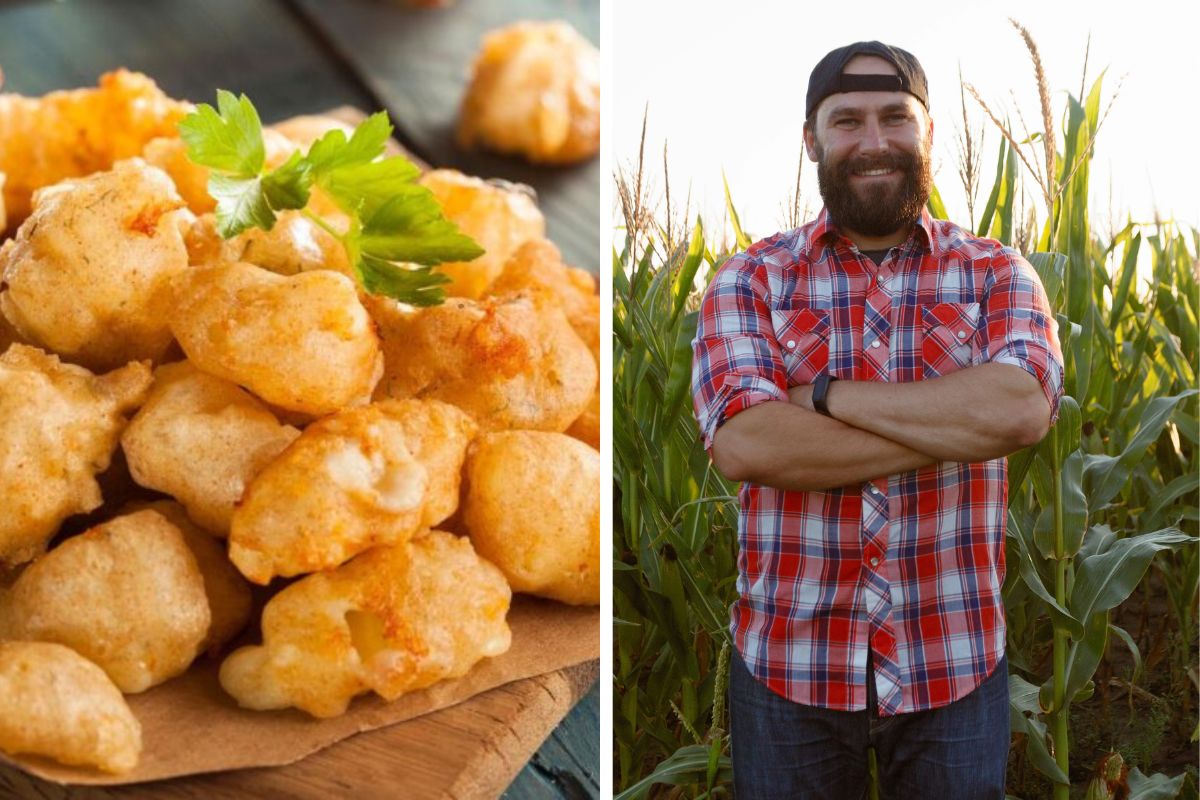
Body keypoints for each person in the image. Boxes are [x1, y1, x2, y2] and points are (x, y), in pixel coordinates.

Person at [690, 41, 1064, 800]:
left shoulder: (998, 273)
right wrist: (954, 424)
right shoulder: (751, 279)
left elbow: (1021, 410)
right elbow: (745, 441)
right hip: (790, 666)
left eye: (896, 118)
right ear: (811, 141)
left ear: (928, 134)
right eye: (847, 120)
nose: (873, 142)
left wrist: (824, 397)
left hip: (952, 660)